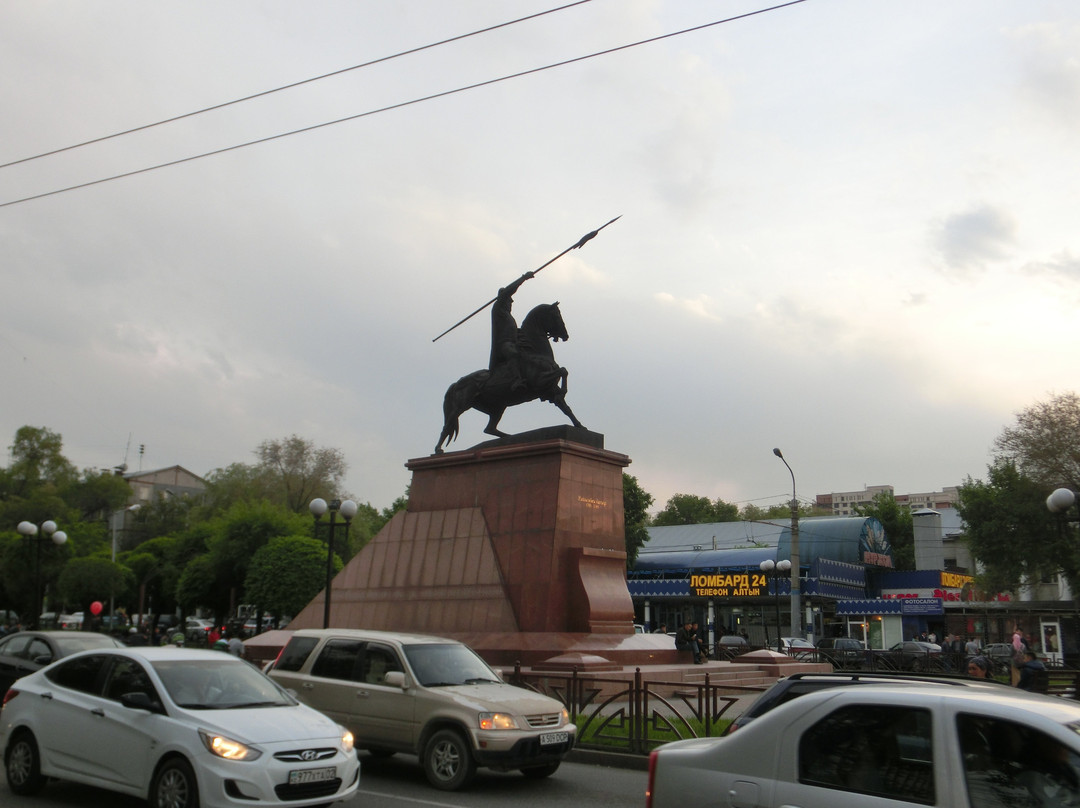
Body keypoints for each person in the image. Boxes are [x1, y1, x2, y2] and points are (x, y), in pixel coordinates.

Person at [489, 271, 534, 392]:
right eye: (509, 300)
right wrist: (523, 278)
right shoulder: (498, 309)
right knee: (513, 354)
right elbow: (509, 291)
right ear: (504, 300)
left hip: (514, 342)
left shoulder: (508, 316)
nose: (511, 303)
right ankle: (516, 380)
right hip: (505, 345)